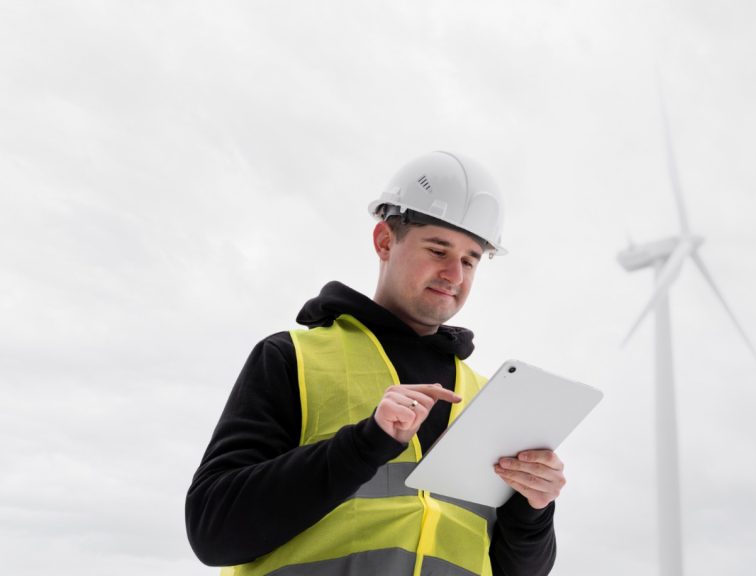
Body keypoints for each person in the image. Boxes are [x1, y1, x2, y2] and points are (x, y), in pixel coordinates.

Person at [185, 151, 564, 576]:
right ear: (385, 241)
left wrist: (534, 509)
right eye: (438, 249)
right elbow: (213, 531)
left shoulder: (487, 401)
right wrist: (364, 444)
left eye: (470, 260)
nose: (454, 275)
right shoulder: (293, 359)